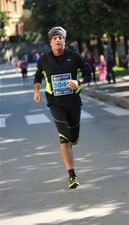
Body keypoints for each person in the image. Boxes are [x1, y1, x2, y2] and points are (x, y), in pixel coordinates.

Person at [33, 26, 92, 189]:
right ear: (50, 42)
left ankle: (70, 145)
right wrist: (36, 90)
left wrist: (78, 82)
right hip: (55, 103)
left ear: (64, 40)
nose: (58, 40)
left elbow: (88, 73)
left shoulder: (74, 57)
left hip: (73, 102)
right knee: (64, 138)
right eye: (55, 38)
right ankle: (72, 175)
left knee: (73, 139)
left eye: (60, 37)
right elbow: (38, 75)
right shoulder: (43, 59)